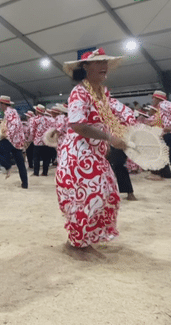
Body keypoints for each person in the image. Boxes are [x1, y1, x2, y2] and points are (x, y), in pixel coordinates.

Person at [58, 48, 128, 256]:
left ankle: (90, 236)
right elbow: (77, 125)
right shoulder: (79, 92)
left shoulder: (103, 94)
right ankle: (77, 241)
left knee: (110, 194)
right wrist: (109, 138)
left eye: (105, 62)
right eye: (98, 62)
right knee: (90, 196)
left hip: (96, 153)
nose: (104, 66)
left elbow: (118, 114)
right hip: (79, 153)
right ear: (86, 67)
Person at [145, 91, 171, 189]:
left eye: (153, 98)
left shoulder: (163, 104)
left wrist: (170, 125)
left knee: (158, 149)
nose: (152, 100)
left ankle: (161, 173)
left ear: (158, 98)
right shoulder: (161, 108)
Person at [0, 95, 28, 189]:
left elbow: (14, 125)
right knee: (20, 163)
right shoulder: (12, 112)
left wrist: (7, 135)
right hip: (17, 141)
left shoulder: (9, 112)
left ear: (3, 104)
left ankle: (7, 165)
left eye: (0, 104)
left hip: (12, 140)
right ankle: (25, 184)